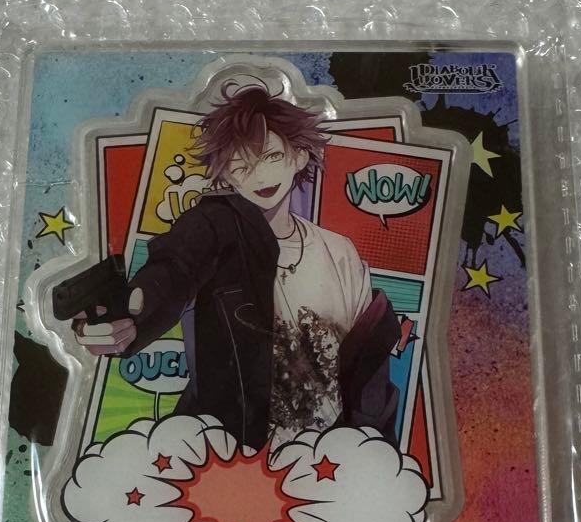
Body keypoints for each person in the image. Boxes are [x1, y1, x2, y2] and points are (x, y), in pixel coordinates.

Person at [69, 82, 400, 452]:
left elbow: (368, 361)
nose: (259, 176)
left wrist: (372, 448)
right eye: (241, 165)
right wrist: (129, 321)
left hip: (328, 458)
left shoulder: (339, 252)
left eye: (271, 156)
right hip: (231, 456)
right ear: (225, 174)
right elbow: (172, 271)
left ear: (299, 156)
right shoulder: (212, 228)